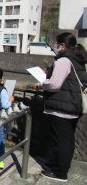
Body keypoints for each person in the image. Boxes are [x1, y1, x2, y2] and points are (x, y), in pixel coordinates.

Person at [34, 32, 87, 182]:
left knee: (62, 140)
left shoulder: (63, 60)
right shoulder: (76, 60)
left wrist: (42, 83)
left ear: (63, 45)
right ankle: (55, 165)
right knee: (65, 139)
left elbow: (55, 84)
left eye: (57, 44)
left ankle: (60, 172)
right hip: (72, 105)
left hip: (61, 107)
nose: (56, 47)